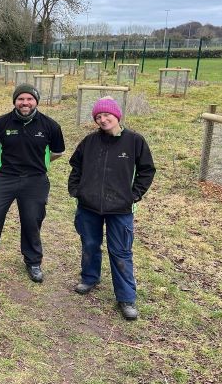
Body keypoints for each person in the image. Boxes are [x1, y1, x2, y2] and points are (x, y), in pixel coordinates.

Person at [67, 97, 155, 320]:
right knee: (89, 244)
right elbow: (75, 165)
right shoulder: (89, 142)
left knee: (121, 251)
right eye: (98, 116)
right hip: (89, 206)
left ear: (117, 116)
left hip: (120, 209)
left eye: (106, 115)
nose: (103, 119)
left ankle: (126, 297)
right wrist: (76, 189)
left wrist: (134, 195)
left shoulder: (135, 141)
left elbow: (147, 170)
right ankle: (89, 278)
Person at [0, 84, 65, 285]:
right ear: (15, 101)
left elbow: (57, 152)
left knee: (32, 221)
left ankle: (33, 262)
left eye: (29, 99)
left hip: (36, 180)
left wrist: (37, 163)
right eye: (21, 99)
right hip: (6, 177)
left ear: (36, 101)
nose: (25, 103)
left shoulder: (51, 126)